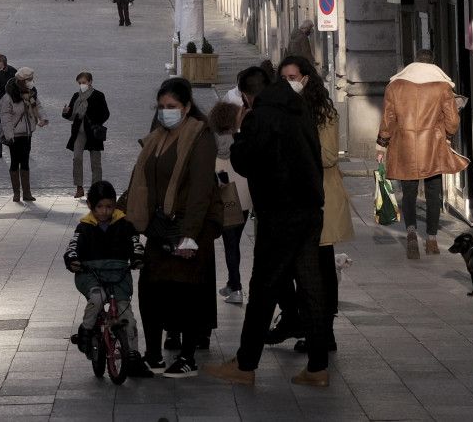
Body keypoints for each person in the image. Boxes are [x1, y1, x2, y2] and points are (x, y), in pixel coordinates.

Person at [203, 66, 331, 387]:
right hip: (310, 209)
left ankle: (245, 365)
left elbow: (243, 161)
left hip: (280, 212)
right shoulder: (299, 111)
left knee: (262, 289)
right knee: (310, 287)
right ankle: (318, 367)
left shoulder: (261, 117)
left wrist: (239, 131)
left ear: (246, 94)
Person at [123, 78, 223, 378]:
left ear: (187, 107)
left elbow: (201, 189)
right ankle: (153, 355)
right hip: (160, 225)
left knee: (187, 291)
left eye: (172, 107)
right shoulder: (157, 138)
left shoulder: (200, 137)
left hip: (192, 224)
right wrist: (118, 212)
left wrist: (190, 236)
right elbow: (141, 181)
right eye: (162, 107)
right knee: (150, 289)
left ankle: (188, 357)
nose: (165, 112)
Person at [266, 56, 355, 352]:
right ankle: (298, 319)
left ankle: (323, 332)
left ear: (306, 79)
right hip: (290, 200)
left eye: (293, 76)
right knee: (290, 268)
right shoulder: (279, 110)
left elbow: (330, 156)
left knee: (320, 270)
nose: (289, 82)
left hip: (320, 200)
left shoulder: (323, 113)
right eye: (284, 77)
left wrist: (293, 151)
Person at [376, 49, 469, 258]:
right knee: (433, 192)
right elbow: (453, 120)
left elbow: (388, 119)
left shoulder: (395, 86)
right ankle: (432, 240)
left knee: (408, 192)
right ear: (433, 64)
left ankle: (411, 235)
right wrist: (447, 137)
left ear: (414, 62)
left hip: (404, 145)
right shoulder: (443, 87)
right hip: (432, 146)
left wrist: (382, 146)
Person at [64, 181, 153, 379]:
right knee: (96, 297)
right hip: (90, 273)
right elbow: (73, 247)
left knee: (127, 317)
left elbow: (135, 245)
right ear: (90, 206)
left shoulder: (124, 225)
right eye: (99, 207)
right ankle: (86, 329)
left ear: (115, 205)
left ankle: (133, 355)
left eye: (110, 206)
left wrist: (138, 259)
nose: (105, 211)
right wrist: (72, 260)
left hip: (118, 274)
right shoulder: (84, 227)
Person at [208, 100, 250, 305]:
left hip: (226, 199)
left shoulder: (211, 143)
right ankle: (232, 283)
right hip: (245, 200)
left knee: (230, 245)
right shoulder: (242, 140)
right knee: (234, 243)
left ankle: (237, 288)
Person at [0, 67, 49, 202]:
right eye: (30, 80)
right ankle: (16, 193)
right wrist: (9, 135)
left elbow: (38, 106)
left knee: (25, 161)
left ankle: (27, 193)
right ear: (23, 81)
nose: (32, 82)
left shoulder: (31, 93)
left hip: (27, 133)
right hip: (14, 135)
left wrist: (43, 118)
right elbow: (5, 117)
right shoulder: (9, 97)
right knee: (15, 161)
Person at [63, 72, 110, 199]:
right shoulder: (76, 96)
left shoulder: (98, 95)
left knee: (95, 162)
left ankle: (96, 189)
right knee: (77, 158)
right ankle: (79, 187)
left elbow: (106, 113)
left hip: (94, 133)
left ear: (90, 82)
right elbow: (71, 115)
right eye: (80, 83)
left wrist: (96, 123)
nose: (82, 85)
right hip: (79, 132)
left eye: (84, 82)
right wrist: (66, 112)